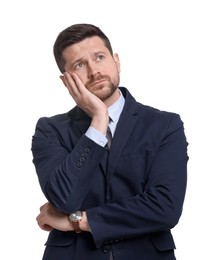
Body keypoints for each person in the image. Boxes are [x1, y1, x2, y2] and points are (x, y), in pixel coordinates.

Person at [31, 23, 188, 260]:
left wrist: (78, 221)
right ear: (66, 81)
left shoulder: (165, 125)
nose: (95, 71)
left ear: (116, 61)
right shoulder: (50, 130)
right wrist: (99, 120)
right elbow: (65, 198)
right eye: (80, 65)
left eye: (100, 57)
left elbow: (165, 208)